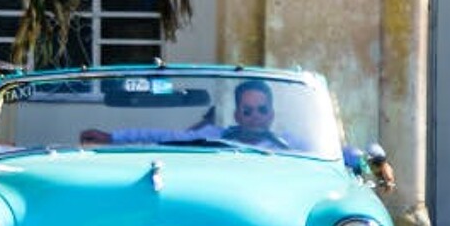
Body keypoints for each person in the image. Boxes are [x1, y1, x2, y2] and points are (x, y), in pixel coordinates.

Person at [80, 78, 294, 148]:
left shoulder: (289, 146)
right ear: (237, 115)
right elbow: (163, 136)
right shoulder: (215, 136)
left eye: (262, 109)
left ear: (271, 114)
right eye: (247, 111)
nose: (255, 116)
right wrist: (111, 137)